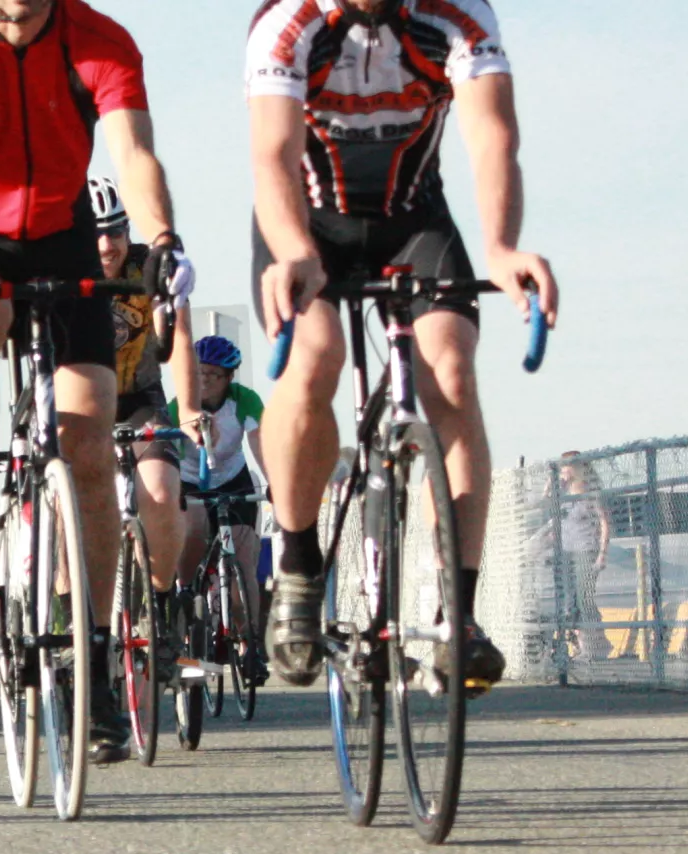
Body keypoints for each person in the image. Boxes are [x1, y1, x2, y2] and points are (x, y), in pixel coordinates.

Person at [0, 0, 194, 763]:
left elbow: (132, 153)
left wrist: (161, 241)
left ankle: (96, 664)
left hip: (62, 236)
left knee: (90, 441)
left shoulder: (100, 41)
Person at [250, 0, 560, 699]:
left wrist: (502, 247)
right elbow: (270, 156)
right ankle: (299, 572)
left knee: (451, 373)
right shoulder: (290, 24)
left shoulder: (457, 16)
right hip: (309, 223)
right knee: (318, 354)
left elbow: (491, 136)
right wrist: (296, 252)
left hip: (412, 220)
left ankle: (460, 613)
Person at [94, 179, 196, 609]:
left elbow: (181, 342)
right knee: (65, 508)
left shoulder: (148, 270)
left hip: (139, 398)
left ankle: (160, 606)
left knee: (161, 491)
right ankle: (70, 624)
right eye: (94, 234)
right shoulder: (64, 276)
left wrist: (189, 409)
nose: (106, 246)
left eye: (115, 231)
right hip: (82, 406)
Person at [178, 335, 265, 629]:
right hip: (191, 480)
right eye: (199, 372)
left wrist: (273, 480)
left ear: (229, 377)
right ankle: (185, 592)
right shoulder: (181, 404)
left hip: (232, 478)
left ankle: (250, 640)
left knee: (244, 560)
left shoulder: (245, 399)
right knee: (194, 525)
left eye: (214, 374)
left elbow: (260, 443)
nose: (205, 380)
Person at [548, 455, 611, 661]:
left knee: (584, 596)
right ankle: (587, 646)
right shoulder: (562, 493)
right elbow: (546, 508)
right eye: (562, 466)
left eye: (567, 466)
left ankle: (594, 646)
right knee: (569, 600)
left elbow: (605, 522)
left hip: (585, 548)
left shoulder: (590, 492)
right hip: (565, 550)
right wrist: (551, 485)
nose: (564, 470)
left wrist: (602, 553)